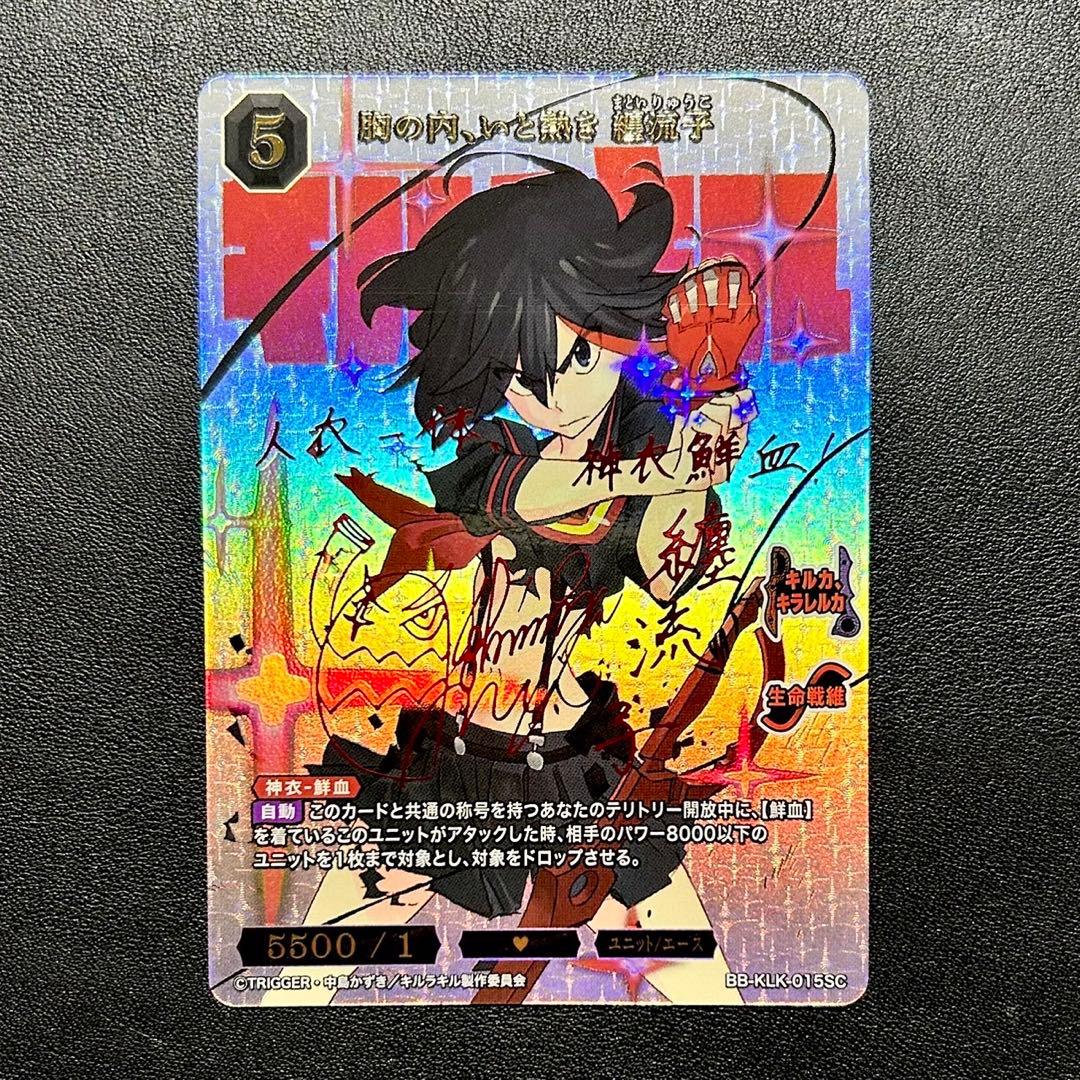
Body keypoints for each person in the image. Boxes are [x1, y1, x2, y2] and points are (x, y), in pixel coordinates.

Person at [265, 159, 755, 1004]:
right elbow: (521, 498)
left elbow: (669, 570)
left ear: (616, 329)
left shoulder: (646, 455)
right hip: (459, 767)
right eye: (521, 374)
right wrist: (674, 459)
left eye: (575, 355)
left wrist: (710, 399)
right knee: (301, 979)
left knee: (703, 984)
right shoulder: (497, 451)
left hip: (576, 773)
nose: (549, 393)